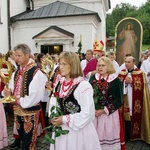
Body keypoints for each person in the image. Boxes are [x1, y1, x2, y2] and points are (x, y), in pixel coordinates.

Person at [49, 51, 101, 150]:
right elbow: (54, 103)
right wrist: (54, 116)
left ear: (73, 65)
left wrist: (64, 119)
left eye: (64, 64)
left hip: (78, 131)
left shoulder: (83, 85)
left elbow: (88, 113)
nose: (61, 67)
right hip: (62, 129)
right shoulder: (60, 84)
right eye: (60, 64)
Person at [3, 44, 47, 150]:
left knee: (28, 143)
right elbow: (11, 87)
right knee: (23, 138)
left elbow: (34, 97)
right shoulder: (17, 71)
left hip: (30, 112)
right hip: (17, 111)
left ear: (27, 55)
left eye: (19, 55)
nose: (16, 58)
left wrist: (16, 100)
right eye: (15, 55)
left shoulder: (36, 73)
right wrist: (7, 92)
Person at [89, 56, 125, 150]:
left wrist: (104, 110)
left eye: (103, 65)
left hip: (109, 115)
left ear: (108, 66)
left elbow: (119, 101)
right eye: (99, 65)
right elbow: (88, 95)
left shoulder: (116, 81)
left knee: (107, 138)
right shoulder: (93, 78)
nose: (100, 67)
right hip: (95, 114)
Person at [118, 56, 150, 144]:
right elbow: (118, 85)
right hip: (125, 98)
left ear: (134, 63)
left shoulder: (140, 73)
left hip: (136, 98)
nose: (126, 64)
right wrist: (124, 81)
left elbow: (143, 85)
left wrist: (132, 82)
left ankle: (136, 135)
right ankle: (126, 135)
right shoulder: (121, 73)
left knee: (134, 114)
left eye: (129, 62)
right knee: (126, 116)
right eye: (125, 62)